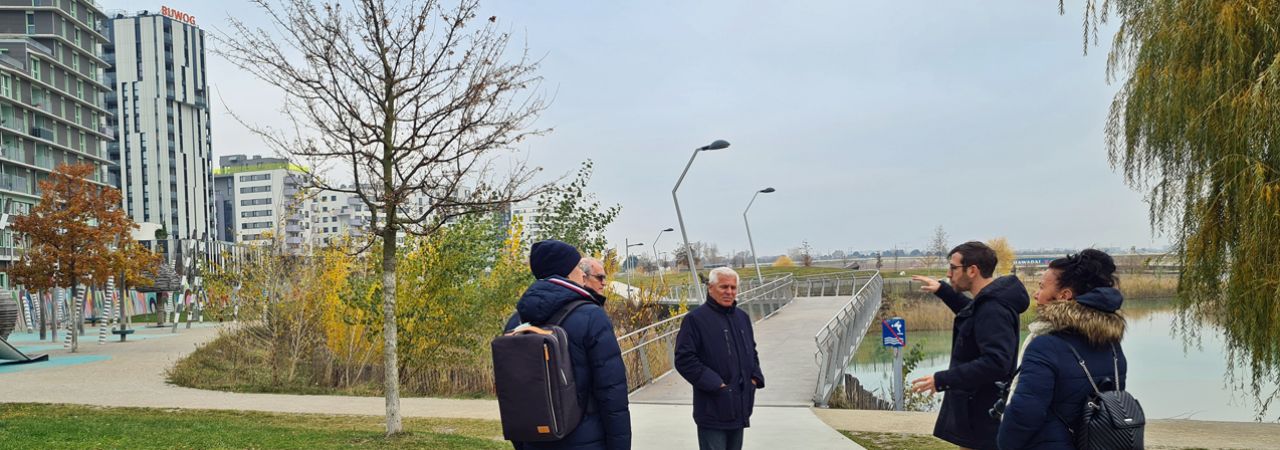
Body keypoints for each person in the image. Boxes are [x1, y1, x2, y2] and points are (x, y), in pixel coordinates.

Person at [504, 240, 631, 450]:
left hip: (534, 440)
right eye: (577, 268)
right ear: (567, 273)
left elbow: (514, 393)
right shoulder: (591, 316)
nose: (582, 275)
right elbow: (612, 393)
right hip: (587, 440)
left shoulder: (516, 322)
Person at [997, 249, 1128, 450]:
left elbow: (1025, 413)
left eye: (1041, 287)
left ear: (1064, 295)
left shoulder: (1044, 345)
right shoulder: (1111, 344)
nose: (1036, 294)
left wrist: (1004, 444)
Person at [910, 241, 1029, 450]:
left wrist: (942, 379)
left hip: (980, 416)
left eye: (953, 268)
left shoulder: (993, 308)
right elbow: (972, 314)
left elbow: (996, 362)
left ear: (972, 270)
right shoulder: (988, 303)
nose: (949, 273)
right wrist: (943, 290)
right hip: (975, 413)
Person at [674, 267, 765, 450]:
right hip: (712, 408)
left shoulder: (742, 318)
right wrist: (717, 385)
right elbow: (684, 359)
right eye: (724, 287)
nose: (729, 292)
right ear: (711, 288)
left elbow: (751, 351)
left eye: (733, 287)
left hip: (740, 406)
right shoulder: (695, 319)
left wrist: (754, 378)